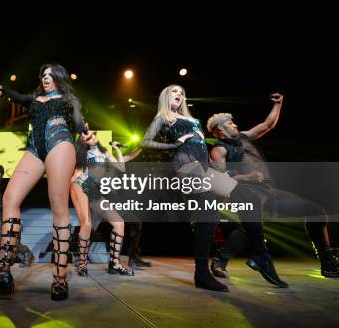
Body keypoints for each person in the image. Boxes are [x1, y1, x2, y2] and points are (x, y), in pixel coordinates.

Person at [141, 85, 286, 291]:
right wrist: (174, 145)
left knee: (248, 198)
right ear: (166, 96)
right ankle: (202, 273)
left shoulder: (191, 119)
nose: (179, 95)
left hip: (204, 168)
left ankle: (260, 256)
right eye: (174, 92)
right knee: (209, 215)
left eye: (182, 93)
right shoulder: (163, 117)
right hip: (187, 166)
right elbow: (146, 142)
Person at [0, 63, 86, 301]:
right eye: (42, 74)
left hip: (60, 143)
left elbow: (77, 125)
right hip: (35, 148)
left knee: (59, 208)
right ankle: (1, 272)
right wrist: (0, 90)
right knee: (9, 199)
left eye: (50, 75)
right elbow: (18, 96)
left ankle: (60, 277)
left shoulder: (69, 99)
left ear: (59, 77)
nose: (45, 78)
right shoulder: (35, 99)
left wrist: (82, 128)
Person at [207, 93, 339, 279]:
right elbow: (219, 178)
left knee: (317, 211)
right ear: (220, 127)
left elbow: (267, 125)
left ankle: (328, 264)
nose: (235, 124)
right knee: (251, 228)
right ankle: (220, 261)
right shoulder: (219, 149)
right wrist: (246, 177)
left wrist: (278, 104)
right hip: (247, 193)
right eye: (231, 122)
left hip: (270, 191)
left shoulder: (244, 137)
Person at [70, 134, 134, 277]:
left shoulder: (105, 152)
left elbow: (121, 167)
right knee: (86, 224)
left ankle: (115, 264)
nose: (92, 135)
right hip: (80, 184)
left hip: (94, 189)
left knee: (119, 223)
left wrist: (117, 149)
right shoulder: (82, 152)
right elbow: (76, 173)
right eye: (87, 135)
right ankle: (82, 264)